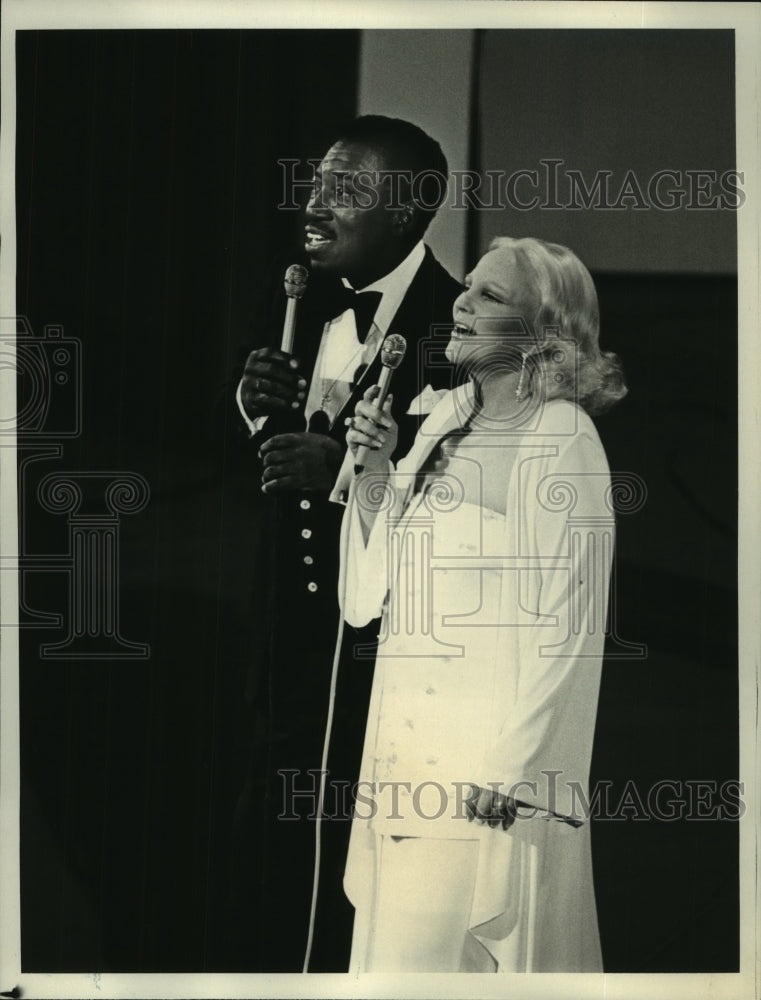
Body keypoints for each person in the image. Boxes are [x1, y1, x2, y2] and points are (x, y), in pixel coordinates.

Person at [334, 236, 627, 972]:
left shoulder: (562, 439)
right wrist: (373, 472)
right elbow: (370, 594)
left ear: (544, 332)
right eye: (466, 287)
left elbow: (570, 626)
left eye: (490, 296)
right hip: (401, 762)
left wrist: (512, 775)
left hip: (482, 779)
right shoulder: (445, 417)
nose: (460, 302)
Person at [227, 115, 462, 971]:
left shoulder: (456, 329)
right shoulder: (294, 296)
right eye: (317, 183)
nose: (316, 206)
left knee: (357, 870)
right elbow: (271, 453)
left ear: (406, 212)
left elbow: (455, 508)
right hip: (282, 643)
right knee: (267, 858)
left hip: (375, 661)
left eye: (347, 190)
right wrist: (255, 411)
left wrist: (344, 474)